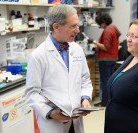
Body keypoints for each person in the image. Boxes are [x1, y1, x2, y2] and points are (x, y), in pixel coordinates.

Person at [25, 5, 93, 133]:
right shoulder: (38, 56)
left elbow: (85, 79)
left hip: (76, 120)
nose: (77, 30)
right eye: (73, 26)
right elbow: (32, 93)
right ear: (56, 27)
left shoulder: (77, 49)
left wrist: (85, 98)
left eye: (77, 25)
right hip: (53, 123)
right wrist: (50, 112)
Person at [88, 13, 121, 107]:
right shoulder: (113, 28)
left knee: (105, 81)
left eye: (100, 24)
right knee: (110, 80)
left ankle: (104, 102)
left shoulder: (107, 31)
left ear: (103, 22)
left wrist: (94, 42)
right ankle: (109, 100)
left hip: (105, 59)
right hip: (113, 57)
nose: (100, 26)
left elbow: (106, 47)